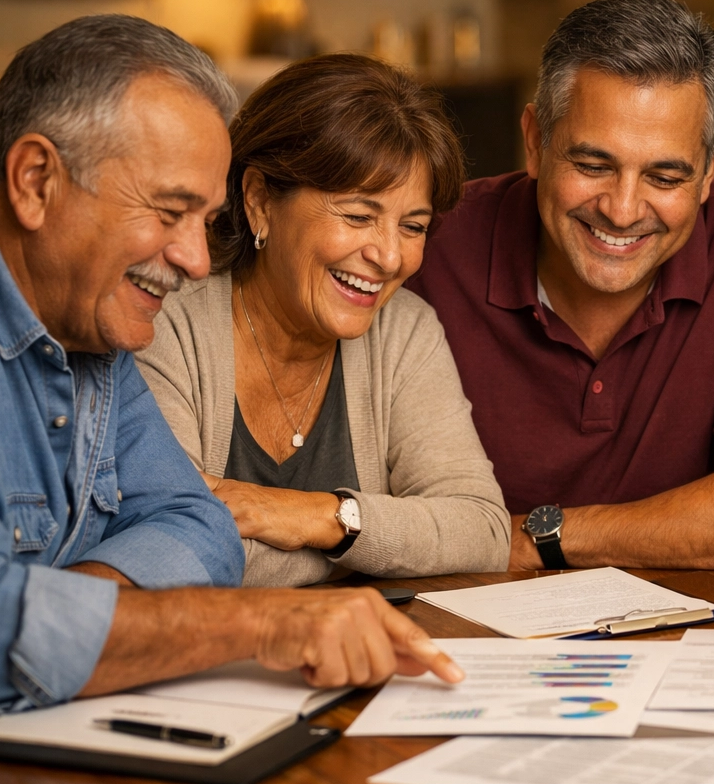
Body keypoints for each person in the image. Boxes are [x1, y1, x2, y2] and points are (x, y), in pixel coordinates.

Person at [0, 15, 460, 713]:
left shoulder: (89, 314)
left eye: (205, 219)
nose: (196, 260)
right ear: (36, 181)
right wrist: (260, 622)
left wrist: (58, 616)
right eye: (170, 212)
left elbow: (201, 525)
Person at [409, 0, 714, 570]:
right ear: (535, 140)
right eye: (592, 166)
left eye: (664, 175)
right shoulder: (427, 246)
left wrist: (534, 538)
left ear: (710, 169)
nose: (623, 209)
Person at [138, 54, 511, 587]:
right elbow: (170, 547)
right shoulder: (168, 324)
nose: (388, 257)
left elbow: (483, 533)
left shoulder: (403, 331)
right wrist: (381, 548)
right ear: (260, 201)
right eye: (358, 216)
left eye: (413, 226)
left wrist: (319, 517)